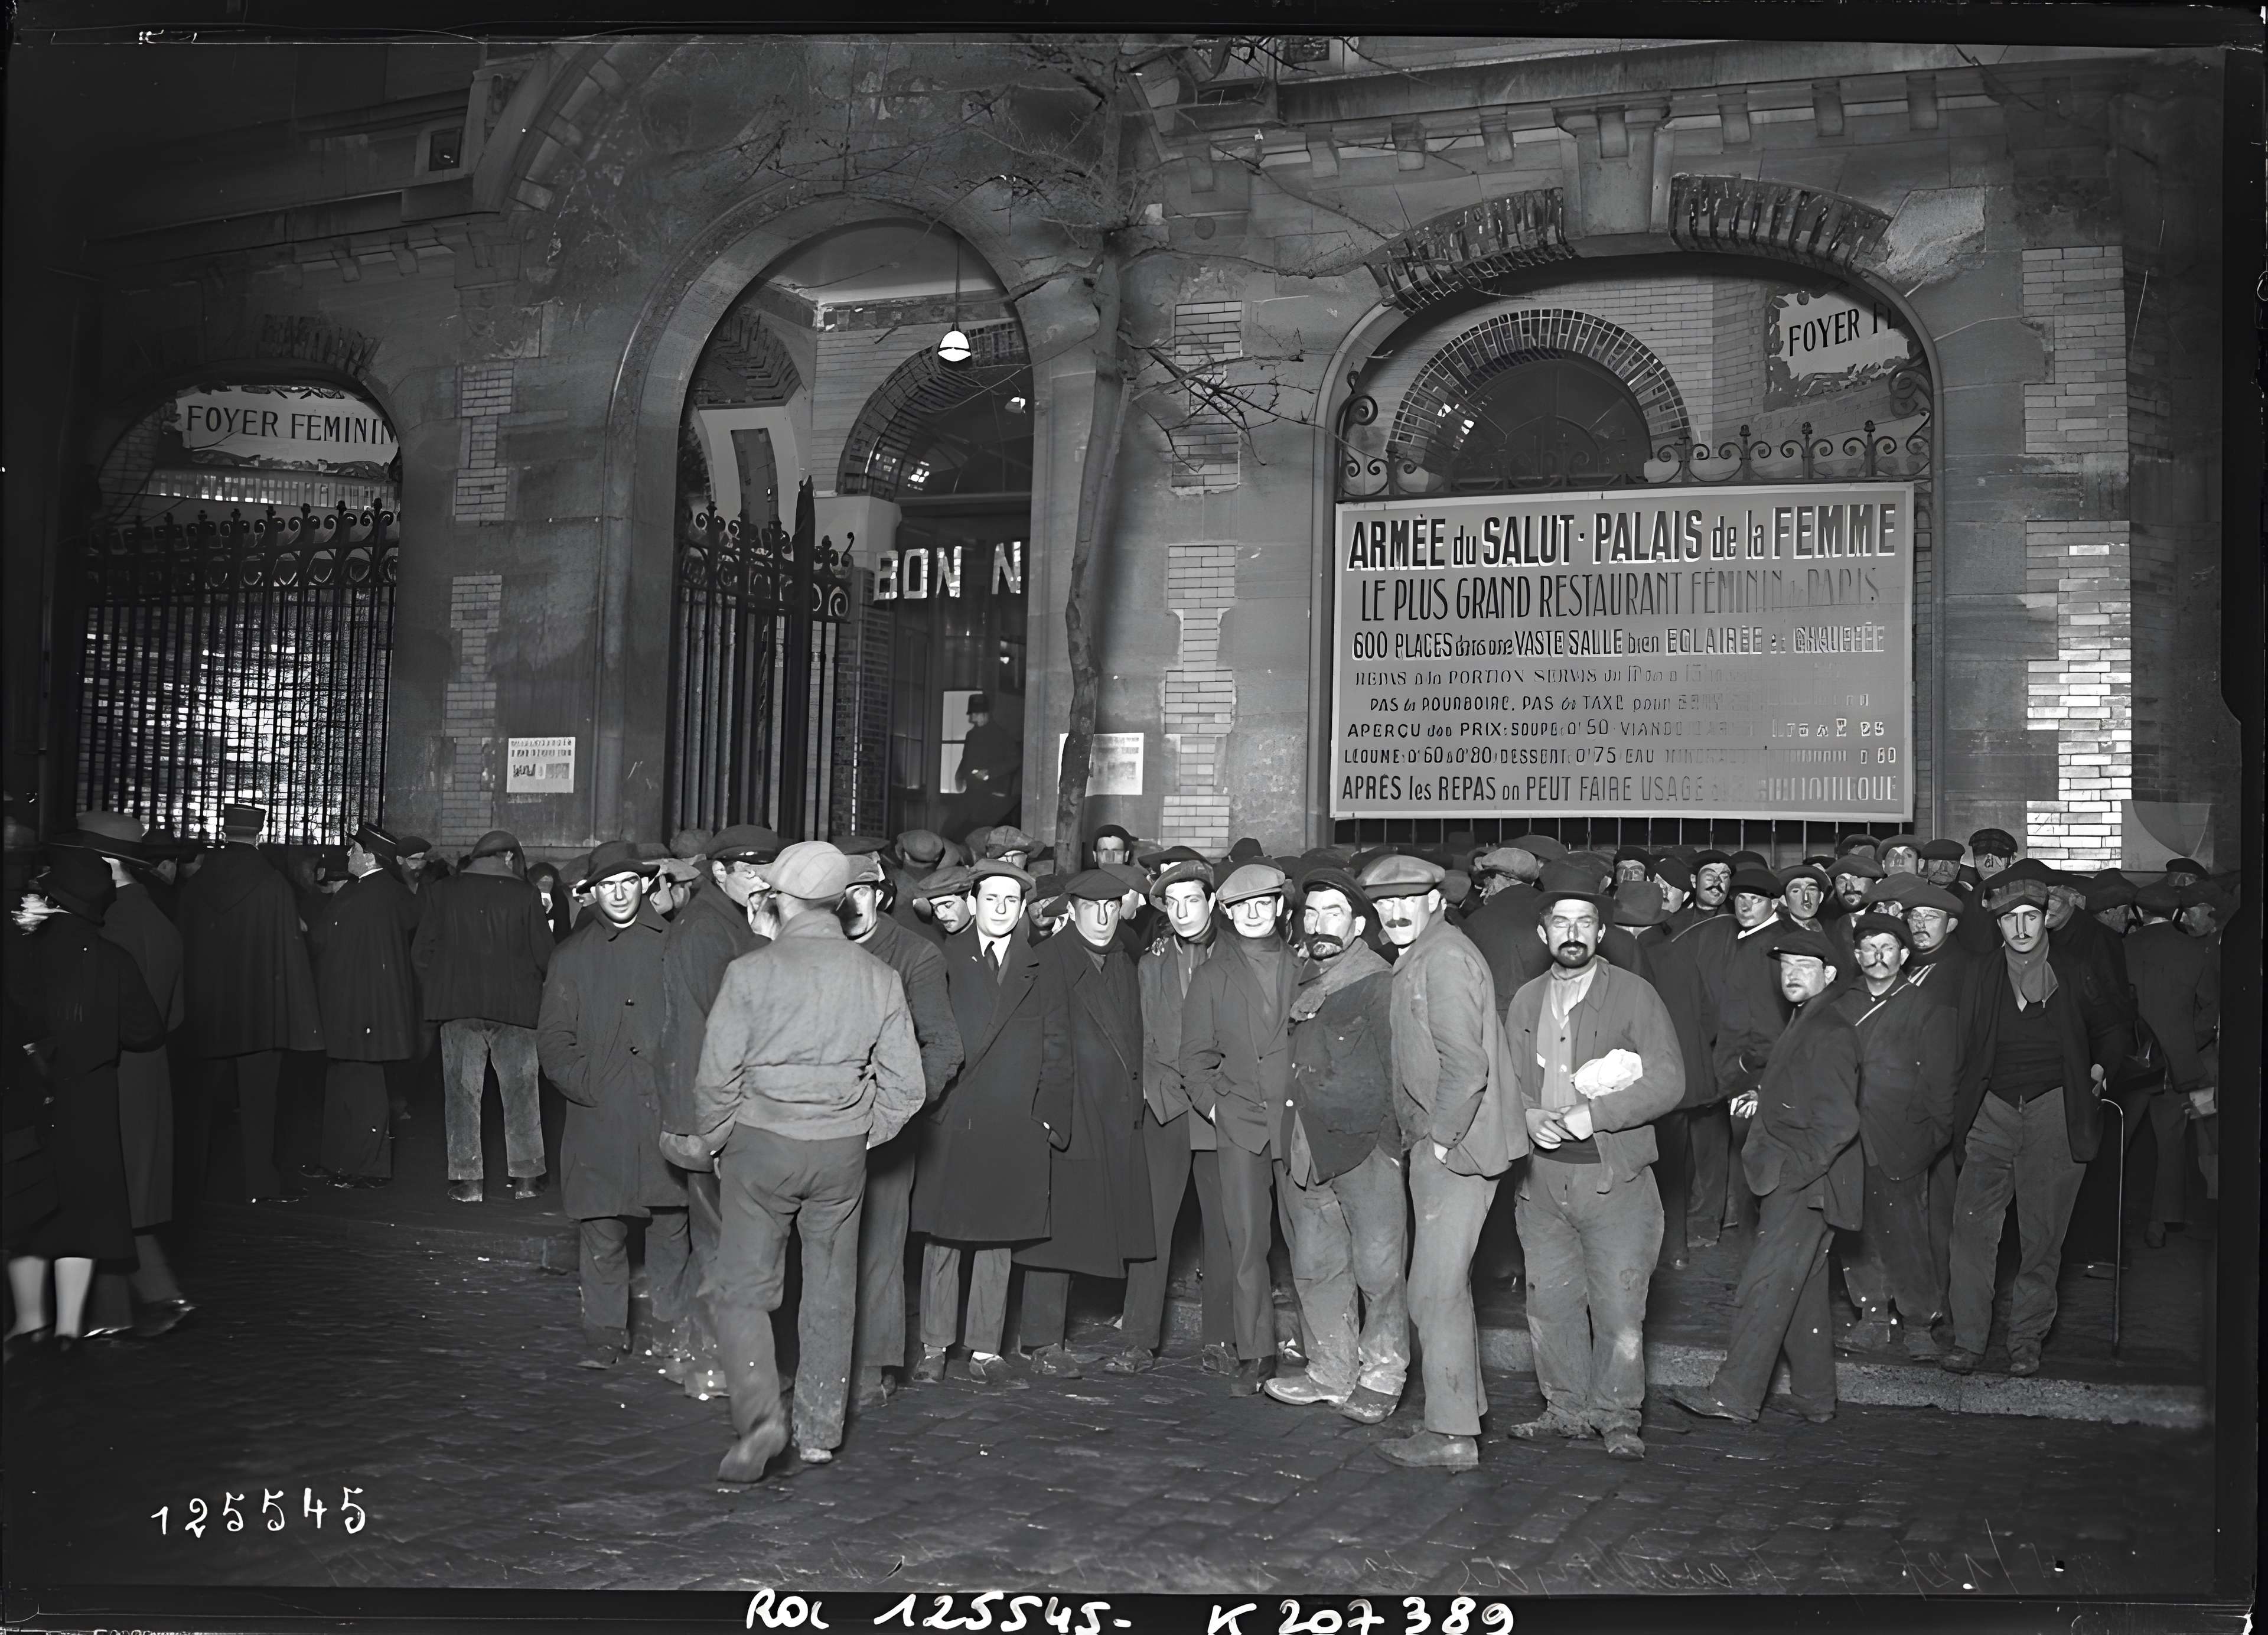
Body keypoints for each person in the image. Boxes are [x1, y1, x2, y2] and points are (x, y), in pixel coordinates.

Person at [674, 841, 925, 1481]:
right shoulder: (878, 976)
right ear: (841, 902)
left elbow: (714, 1077)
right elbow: (907, 1087)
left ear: (780, 900)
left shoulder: (750, 973)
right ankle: (819, 1430)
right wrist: (862, 1133)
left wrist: (724, 1137)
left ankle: (762, 1418)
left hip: (761, 1143)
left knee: (742, 1290)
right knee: (832, 1289)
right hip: (841, 1152)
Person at [1502, 863, 1685, 1458]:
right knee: (1549, 1302)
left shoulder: (1636, 994)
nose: (1572, 932)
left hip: (1615, 1177)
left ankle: (1618, 1414)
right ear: (1543, 932)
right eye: (1561, 922)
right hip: (1543, 1179)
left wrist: (1596, 1115)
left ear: (1601, 932)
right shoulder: (1527, 999)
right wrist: (1527, 1114)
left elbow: (1669, 1080)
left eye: (1585, 922)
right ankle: (1565, 1407)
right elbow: (1507, 1081)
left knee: (1619, 1303)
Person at [1359, 851, 1527, 1470]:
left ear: (1435, 899)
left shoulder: (1446, 958)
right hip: (1448, 1142)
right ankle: (1464, 1414)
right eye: (1385, 902)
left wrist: (1437, 1139)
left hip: (1458, 1147)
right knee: (1442, 1288)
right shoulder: (1425, 954)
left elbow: (1467, 1065)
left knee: (1432, 1291)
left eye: (1408, 899)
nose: (1396, 910)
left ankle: (1452, 1433)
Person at [1671, 927, 1863, 1425]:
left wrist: (1793, 1177)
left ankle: (1734, 1396)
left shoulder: (1831, 1030)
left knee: (1764, 1287)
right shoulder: (1807, 1020)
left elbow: (1839, 1121)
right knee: (1800, 1294)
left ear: (1831, 975)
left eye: (1806, 968)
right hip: (1800, 1181)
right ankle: (1816, 1399)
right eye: (1787, 967)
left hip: (1804, 1185)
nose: (1793, 976)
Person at [1939, 868, 2124, 1377]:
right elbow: (1957, 1044)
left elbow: (2114, 1027)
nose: (2020, 928)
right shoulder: (1979, 973)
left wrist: (2099, 1070)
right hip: (1991, 1110)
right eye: (2009, 919)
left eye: (2030, 917)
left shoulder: (2075, 969)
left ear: (2046, 919)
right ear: (1998, 925)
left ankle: (2025, 1342)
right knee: (1971, 1232)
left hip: (2055, 1110)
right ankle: (1969, 1341)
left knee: (2043, 1238)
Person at [535, 843, 692, 1372]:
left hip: (663, 1113)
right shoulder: (572, 956)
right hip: (598, 1116)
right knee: (602, 1228)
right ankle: (605, 1334)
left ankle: (671, 1327)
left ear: (645, 886)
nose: (620, 894)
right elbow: (553, 1040)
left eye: (629, 883)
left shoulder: (675, 947)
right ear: (593, 892)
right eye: (608, 885)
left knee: (672, 1225)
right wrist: (588, 1085)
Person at [6, 846, 166, 1354]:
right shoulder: (113, 958)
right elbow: (145, 1034)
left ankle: (28, 1321)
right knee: (83, 1213)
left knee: (27, 1213)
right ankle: (70, 1328)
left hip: (27, 1099)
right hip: (91, 1099)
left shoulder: (21, 953)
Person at [1261, 867, 1407, 1422]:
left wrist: (1392, 1148)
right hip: (1307, 1145)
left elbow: (1399, 1072)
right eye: (1313, 913)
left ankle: (1383, 1374)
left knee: (1380, 1270)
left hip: (1366, 1149)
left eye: (1334, 914)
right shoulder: (1305, 978)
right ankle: (1331, 1371)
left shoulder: (1377, 982)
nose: (1320, 924)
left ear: (1360, 924)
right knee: (1317, 1266)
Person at [908, 861, 1058, 1385]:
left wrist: (1045, 1119)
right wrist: (935, 1109)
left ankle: (984, 1348)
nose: (999, 909)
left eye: (1010, 901)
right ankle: (933, 1344)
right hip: (953, 1116)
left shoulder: (1040, 969)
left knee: (998, 1237)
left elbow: (1056, 1049)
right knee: (944, 1238)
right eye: (990, 898)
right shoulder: (940, 962)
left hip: (1013, 1120)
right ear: (971, 904)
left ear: (1022, 910)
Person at [1006, 871, 1152, 1376]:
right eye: (1093, 908)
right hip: (1068, 1110)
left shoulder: (1120, 961)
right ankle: (1042, 1341)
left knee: (1079, 1224)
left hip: (1110, 1110)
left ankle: (1048, 1337)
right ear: (1072, 909)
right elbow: (1040, 1041)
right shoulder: (1050, 960)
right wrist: (1048, 1113)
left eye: (1113, 907)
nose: (1104, 917)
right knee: (1057, 1231)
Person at [656, 824, 779, 1397]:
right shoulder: (711, 928)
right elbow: (729, 1024)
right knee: (725, 1240)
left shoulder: (721, 920)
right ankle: (712, 1359)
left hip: (708, 1106)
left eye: (766, 869)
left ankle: (704, 1356)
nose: (761, 880)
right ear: (720, 871)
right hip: (713, 1110)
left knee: (721, 1235)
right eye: (749, 870)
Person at [840, 852, 963, 1407]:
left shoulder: (915, 955)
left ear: (882, 895)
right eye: (836, 894)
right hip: (817, 1125)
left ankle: (873, 1364)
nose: (848, 904)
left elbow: (943, 1045)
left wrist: (898, 1112)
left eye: (860, 892)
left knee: (879, 1249)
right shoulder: (814, 949)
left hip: (885, 1129)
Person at [67, 814, 193, 1337]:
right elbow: (177, 1013)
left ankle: (134, 1305)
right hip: (152, 1074)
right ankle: (125, 1308)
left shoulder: (108, 926)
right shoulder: (160, 920)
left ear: (105, 864)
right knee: (125, 1193)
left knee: (106, 1188)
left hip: (113, 1073)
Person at [1177, 862, 1300, 1396]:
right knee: (1246, 1241)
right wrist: (1218, 1111)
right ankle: (1256, 1352)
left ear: (1280, 908)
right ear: (1227, 913)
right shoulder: (1212, 975)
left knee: (1313, 1244)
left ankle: (1327, 1351)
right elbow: (1193, 1061)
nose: (1254, 913)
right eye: (1242, 906)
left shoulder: (1307, 967)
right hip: (1242, 1124)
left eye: (1264, 903)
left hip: (1300, 1125)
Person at [1115, 858, 1236, 1376]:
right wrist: (1152, 1089)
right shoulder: (1152, 963)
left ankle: (1223, 1341)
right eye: (1174, 903)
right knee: (1153, 1227)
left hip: (1220, 1109)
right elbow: (1140, 1036)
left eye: (1194, 900)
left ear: (1211, 903)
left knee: (1225, 1227)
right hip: (1166, 1107)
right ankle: (1139, 1338)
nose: (1185, 912)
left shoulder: (1239, 957)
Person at [177, 803, 324, 1204]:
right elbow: (288, 953)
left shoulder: (197, 883)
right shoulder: (273, 885)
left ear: (226, 832)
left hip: (206, 1012)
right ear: (258, 835)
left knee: (199, 1103)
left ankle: (191, 1184)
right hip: (259, 1015)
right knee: (261, 1104)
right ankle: (260, 1185)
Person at [1830, 914, 1959, 1359]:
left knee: (1907, 1234)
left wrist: (1930, 1140)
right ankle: (1871, 1317)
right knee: (1856, 1231)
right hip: (1848, 1139)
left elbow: (1943, 1087)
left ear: (1904, 954)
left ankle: (1921, 1321)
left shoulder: (1926, 1007)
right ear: (1857, 955)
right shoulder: (1839, 1006)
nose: (1878, 956)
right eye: (1869, 948)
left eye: (1888, 948)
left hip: (1903, 1139)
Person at [413, 830, 556, 1205]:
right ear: (509, 857)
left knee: (462, 1095)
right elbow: (545, 956)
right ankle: (526, 1178)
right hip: (517, 1010)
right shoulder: (525, 895)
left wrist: (442, 985)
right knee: (522, 1094)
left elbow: (422, 952)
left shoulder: (442, 892)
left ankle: (468, 1181)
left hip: (457, 1008)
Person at [306, 822, 424, 1188]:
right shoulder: (391, 892)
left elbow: (325, 940)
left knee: (362, 1089)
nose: (348, 856)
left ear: (370, 857)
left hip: (358, 1009)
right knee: (348, 1084)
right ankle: (341, 1162)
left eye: (354, 851)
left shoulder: (364, 895)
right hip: (368, 1009)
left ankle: (367, 1168)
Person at [2124, 881, 2218, 1248]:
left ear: (2139, 912)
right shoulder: (2196, 952)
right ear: (2175, 912)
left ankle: (2106, 1220)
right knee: (2172, 1144)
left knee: (2116, 1142)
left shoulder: (2120, 947)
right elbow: (2210, 1009)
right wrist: (2184, 1046)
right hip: (2178, 1067)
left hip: (2131, 1065)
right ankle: (2159, 1223)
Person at [528, 861, 575, 944]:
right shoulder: (528, 897)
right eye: (542, 884)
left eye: (548, 884)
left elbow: (563, 930)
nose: (545, 888)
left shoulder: (561, 898)